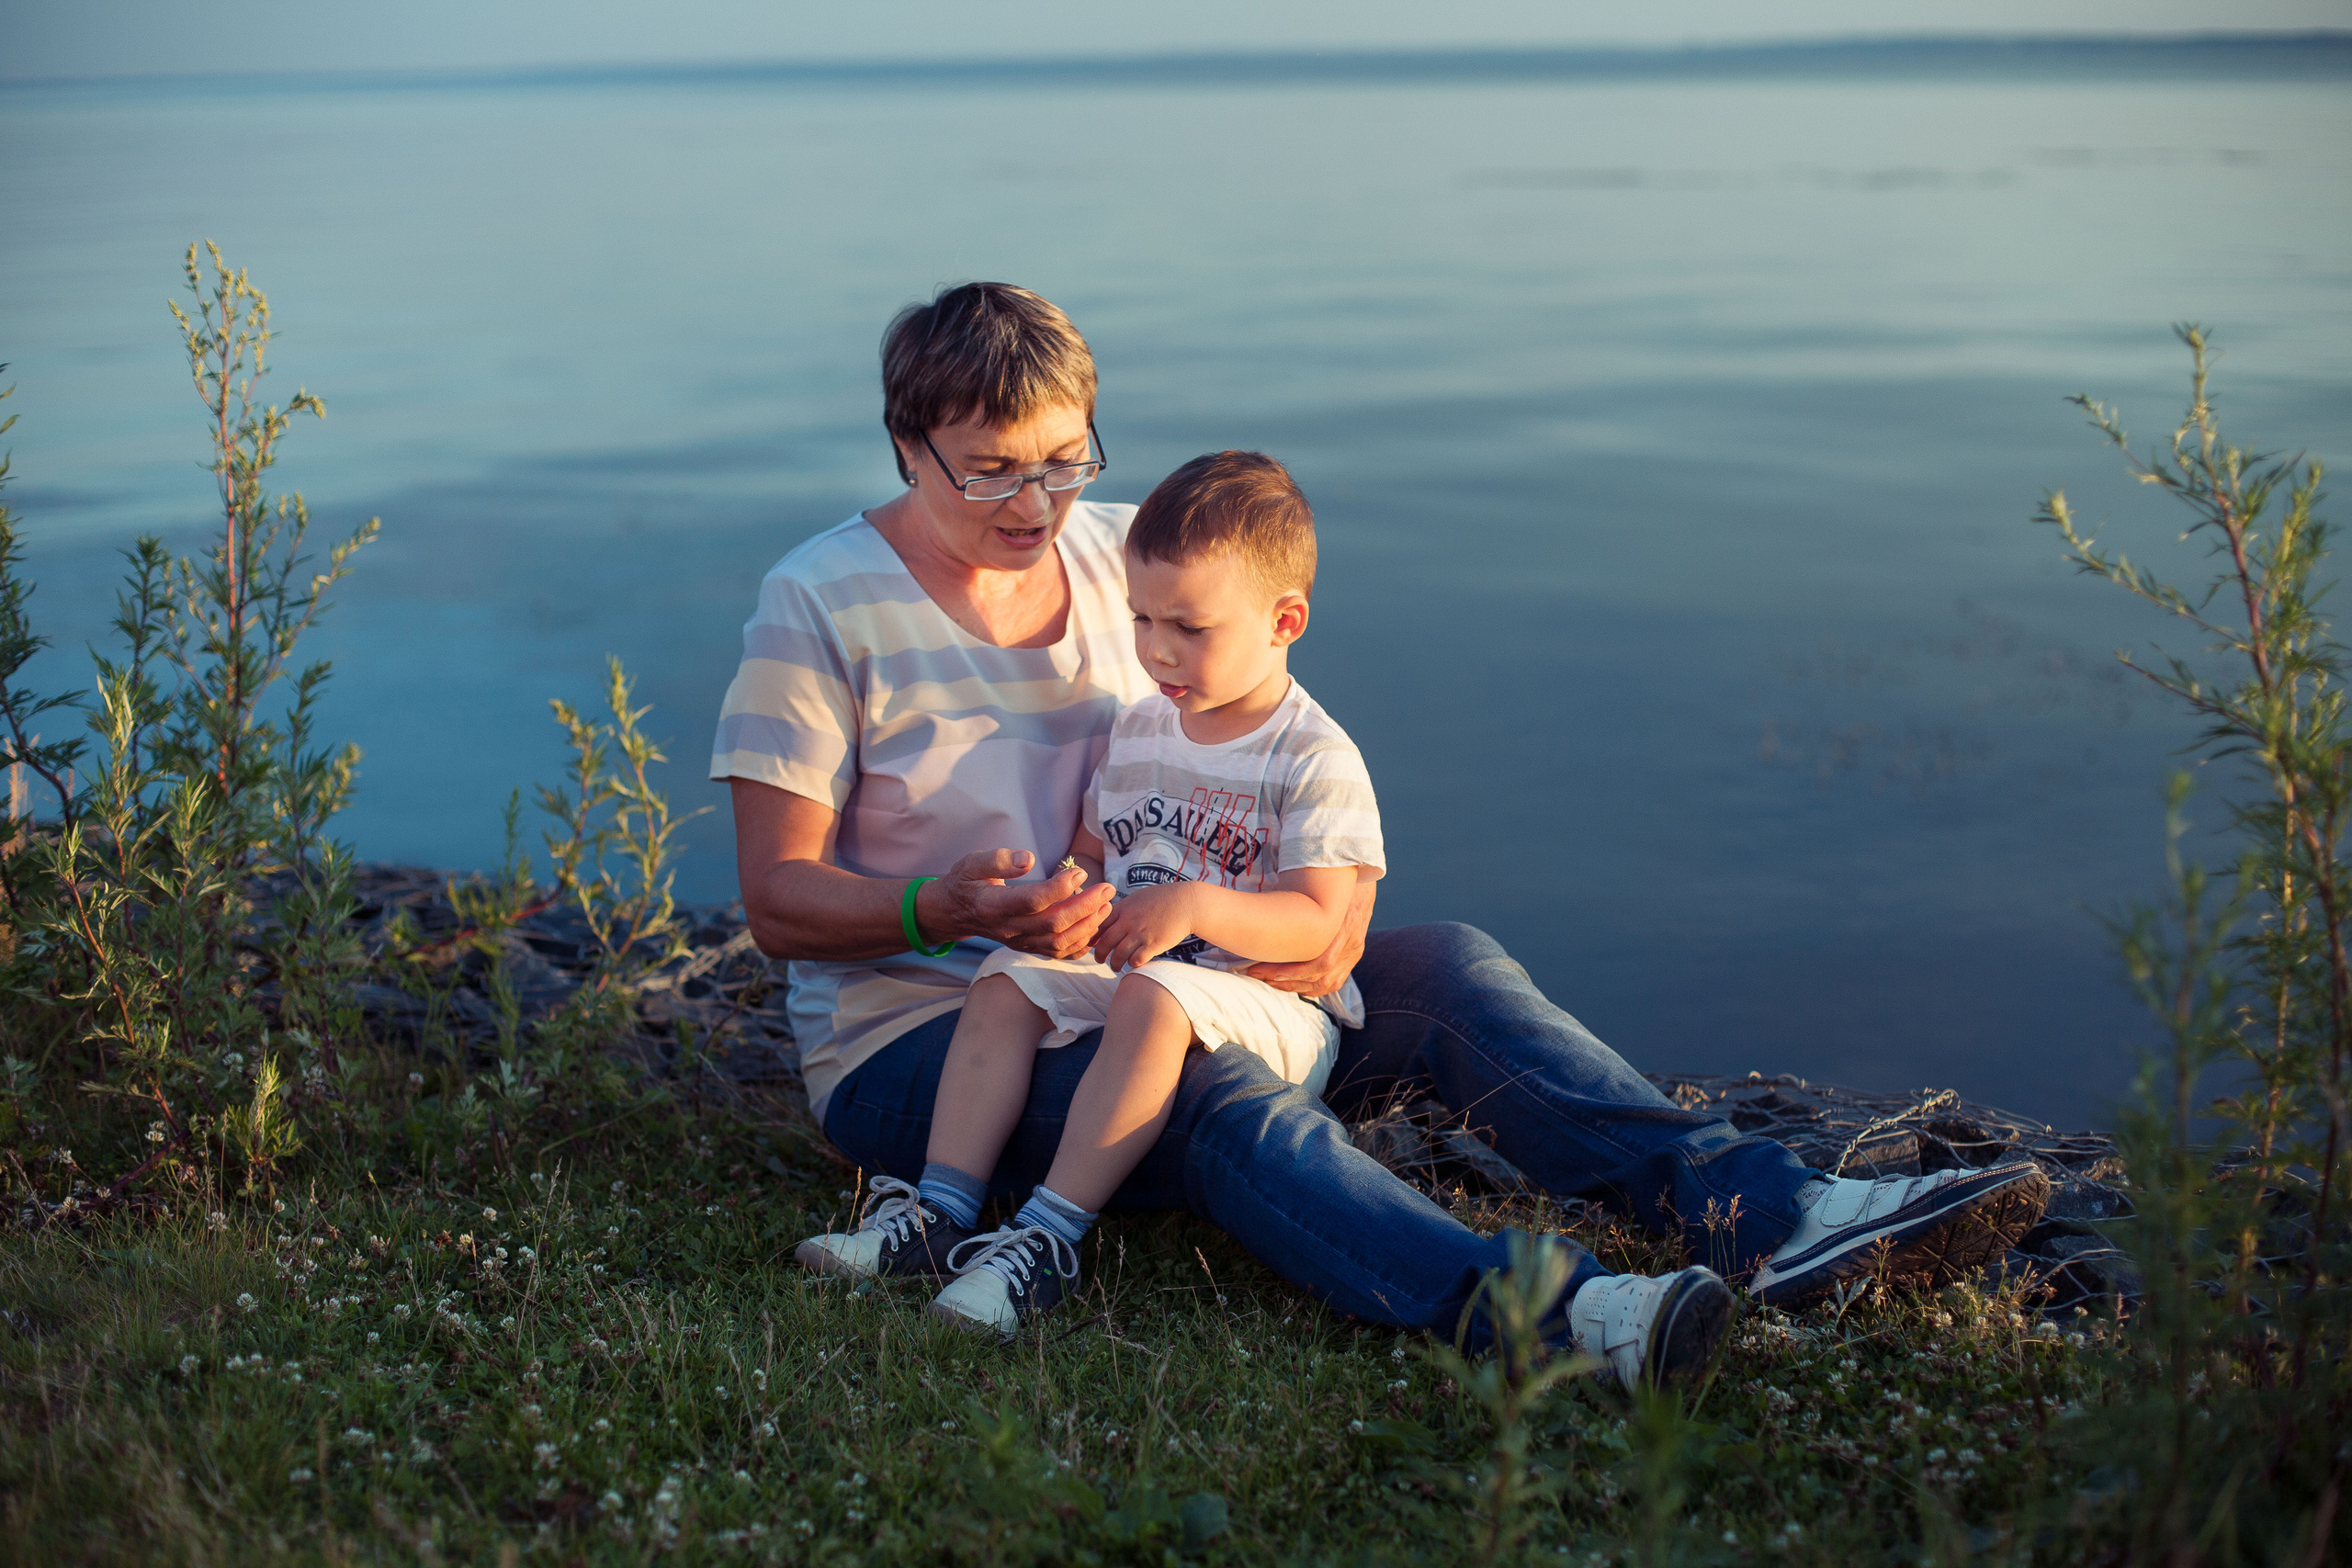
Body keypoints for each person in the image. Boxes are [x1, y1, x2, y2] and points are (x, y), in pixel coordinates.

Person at [716, 281, 2049, 1382]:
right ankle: (1564, 1319)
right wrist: (946, 910)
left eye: (1065, 465)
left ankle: (1788, 1218)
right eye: (991, 473)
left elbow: (1258, 781)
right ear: (905, 446)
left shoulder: (1134, 572)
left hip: (1149, 968)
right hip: (925, 1045)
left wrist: (1303, 925)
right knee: (1201, 1083)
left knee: (1444, 966)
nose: (1035, 509)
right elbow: (777, 904)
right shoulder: (821, 605)